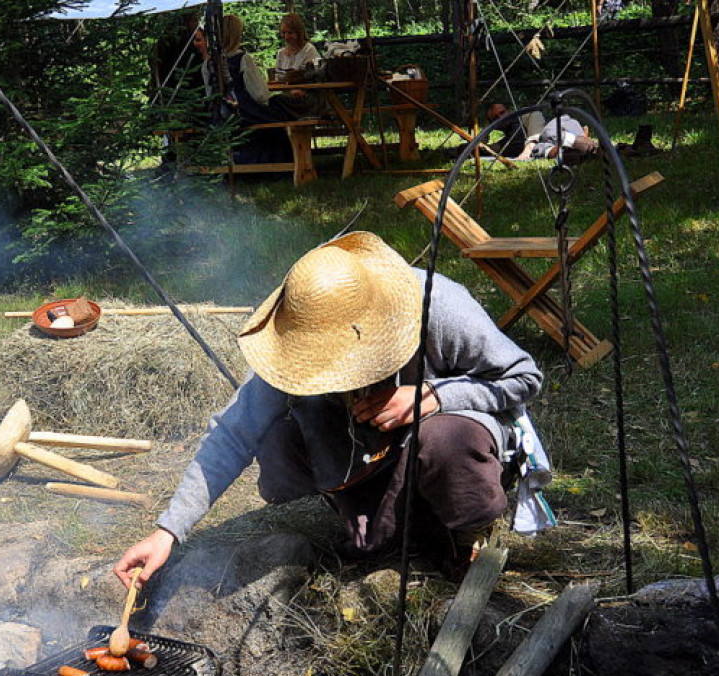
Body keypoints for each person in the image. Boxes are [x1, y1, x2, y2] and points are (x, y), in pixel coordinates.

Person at [113, 231, 543, 590]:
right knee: (278, 436)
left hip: (449, 434)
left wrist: (432, 396)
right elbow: (234, 433)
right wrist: (168, 531)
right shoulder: (301, 330)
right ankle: (373, 519)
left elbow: (523, 377)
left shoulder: (437, 305)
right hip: (365, 447)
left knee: (448, 438)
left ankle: (462, 535)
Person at [217, 14, 295, 163]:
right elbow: (260, 95)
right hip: (245, 112)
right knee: (279, 120)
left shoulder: (210, 63)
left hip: (222, 113)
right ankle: (278, 166)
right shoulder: (242, 59)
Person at [273, 13, 326, 118]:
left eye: (290, 33)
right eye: (283, 33)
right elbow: (278, 78)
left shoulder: (309, 50)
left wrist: (302, 89)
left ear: (299, 32)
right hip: (289, 97)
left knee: (275, 103)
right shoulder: (281, 53)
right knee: (270, 103)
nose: (286, 37)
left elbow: (319, 74)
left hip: (308, 98)